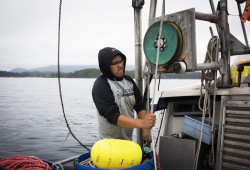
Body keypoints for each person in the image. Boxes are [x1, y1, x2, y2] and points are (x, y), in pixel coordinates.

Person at [92, 47, 156, 142]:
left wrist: (145, 130)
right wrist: (143, 123)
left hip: (127, 141)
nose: (121, 65)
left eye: (121, 61)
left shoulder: (129, 81)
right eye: (115, 63)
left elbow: (139, 106)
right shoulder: (101, 85)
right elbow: (113, 117)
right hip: (108, 142)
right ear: (105, 66)